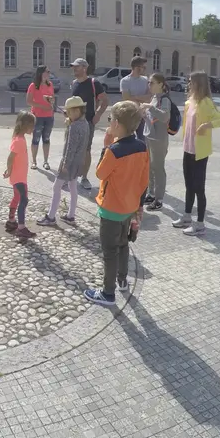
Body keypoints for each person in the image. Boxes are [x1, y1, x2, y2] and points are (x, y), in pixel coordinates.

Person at [84, 101, 149, 307]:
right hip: (129, 206)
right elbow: (144, 179)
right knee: (123, 244)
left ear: (118, 124)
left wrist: (106, 147)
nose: (109, 123)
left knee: (109, 250)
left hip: (111, 208)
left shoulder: (113, 150)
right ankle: (122, 279)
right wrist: (139, 205)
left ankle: (107, 293)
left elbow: (100, 173)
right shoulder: (142, 147)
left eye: (110, 119)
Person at [172, 71, 220, 236]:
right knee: (189, 185)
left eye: (191, 81)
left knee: (198, 188)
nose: (189, 84)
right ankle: (187, 216)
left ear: (198, 83)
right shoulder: (190, 102)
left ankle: (200, 224)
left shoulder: (206, 102)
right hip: (188, 149)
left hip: (200, 152)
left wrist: (206, 125)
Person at [38, 96, 89, 226]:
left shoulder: (74, 127)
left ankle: (51, 217)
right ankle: (71, 216)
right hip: (78, 162)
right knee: (73, 187)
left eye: (70, 112)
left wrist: (65, 164)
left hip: (68, 162)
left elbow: (70, 148)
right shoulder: (85, 123)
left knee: (56, 187)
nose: (68, 114)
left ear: (77, 111)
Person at [69, 58, 109, 191]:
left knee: (86, 150)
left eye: (77, 67)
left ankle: (84, 178)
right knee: (73, 149)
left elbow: (105, 101)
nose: (74, 69)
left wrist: (97, 115)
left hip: (88, 122)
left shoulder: (94, 83)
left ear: (84, 68)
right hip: (73, 123)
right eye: (73, 67)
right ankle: (72, 175)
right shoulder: (74, 83)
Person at [140, 73, 172, 211]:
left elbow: (165, 117)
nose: (149, 85)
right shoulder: (154, 98)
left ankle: (158, 199)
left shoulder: (164, 100)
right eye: (148, 82)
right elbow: (150, 117)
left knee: (158, 168)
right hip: (149, 136)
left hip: (159, 139)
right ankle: (151, 193)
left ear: (161, 84)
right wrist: (143, 114)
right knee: (149, 167)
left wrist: (150, 107)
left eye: (152, 82)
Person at [3, 111, 37, 239]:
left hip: (18, 177)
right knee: (24, 200)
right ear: (25, 125)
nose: (33, 128)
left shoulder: (18, 138)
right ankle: (21, 228)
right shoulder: (19, 140)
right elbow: (10, 158)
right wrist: (9, 171)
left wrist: (9, 172)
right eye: (32, 126)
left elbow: (12, 158)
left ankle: (11, 221)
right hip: (19, 178)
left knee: (17, 198)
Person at [26, 65, 56, 170]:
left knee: (46, 139)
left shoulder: (50, 84)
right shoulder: (33, 86)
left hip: (49, 116)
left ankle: (46, 161)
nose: (49, 74)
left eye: (49, 72)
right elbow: (29, 101)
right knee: (36, 139)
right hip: (38, 116)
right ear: (41, 73)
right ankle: (34, 161)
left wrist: (51, 100)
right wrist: (42, 106)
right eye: (47, 72)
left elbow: (53, 98)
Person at [120, 56, 150, 140]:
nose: (144, 69)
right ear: (137, 68)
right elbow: (126, 99)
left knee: (143, 140)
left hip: (143, 115)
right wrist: (141, 98)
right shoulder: (125, 81)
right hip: (130, 114)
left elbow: (149, 98)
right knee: (128, 139)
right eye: (143, 67)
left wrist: (134, 97)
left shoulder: (145, 80)